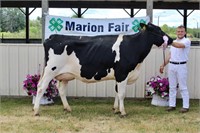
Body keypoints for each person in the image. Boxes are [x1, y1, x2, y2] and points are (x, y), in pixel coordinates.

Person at [160, 25, 191, 113]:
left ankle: (185, 106)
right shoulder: (173, 42)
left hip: (181, 65)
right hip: (172, 65)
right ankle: (172, 105)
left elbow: (179, 46)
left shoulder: (186, 41)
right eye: (178, 31)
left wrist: (168, 41)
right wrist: (163, 65)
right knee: (172, 87)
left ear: (185, 33)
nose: (180, 33)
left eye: (182, 31)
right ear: (176, 32)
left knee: (183, 87)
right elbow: (170, 55)